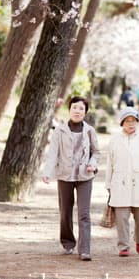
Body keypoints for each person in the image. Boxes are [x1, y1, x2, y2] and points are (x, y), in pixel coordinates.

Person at [43, 96, 101, 261]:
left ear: (85, 112)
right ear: (69, 110)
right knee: (65, 212)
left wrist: (92, 163)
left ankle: (85, 250)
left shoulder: (90, 131)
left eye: (81, 108)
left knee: (84, 214)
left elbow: (97, 152)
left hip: (85, 176)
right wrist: (48, 172)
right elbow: (53, 153)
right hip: (64, 176)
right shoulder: (59, 130)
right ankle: (68, 243)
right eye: (75, 107)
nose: (77, 111)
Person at [106, 107, 139, 257]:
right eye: (127, 121)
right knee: (121, 218)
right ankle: (123, 246)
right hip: (120, 183)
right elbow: (110, 163)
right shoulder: (115, 140)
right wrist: (108, 184)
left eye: (134, 121)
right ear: (122, 123)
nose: (131, 124)